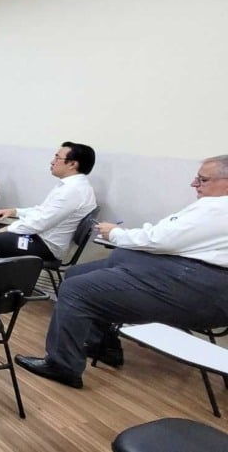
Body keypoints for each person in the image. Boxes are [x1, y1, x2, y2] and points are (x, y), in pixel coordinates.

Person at [15, 155, 228, 389]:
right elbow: (168, 235)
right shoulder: (213, 207)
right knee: (79, 273)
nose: (194, 184)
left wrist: (116, 234)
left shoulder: (217, 208)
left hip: (196, 286)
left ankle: (63, 366)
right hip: (183, 276)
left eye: (202, 180)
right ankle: (102, 346)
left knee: (77, 289)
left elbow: (161, 239)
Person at [0, 141, 97, 281]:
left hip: (45, 246)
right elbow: (43, 211)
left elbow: (40, 223)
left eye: (57, 158)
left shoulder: (72, 191)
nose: (52, 161)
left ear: (72, 164)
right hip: (37, 236)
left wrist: (8, 229)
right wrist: (15, 212)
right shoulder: (70, 186)